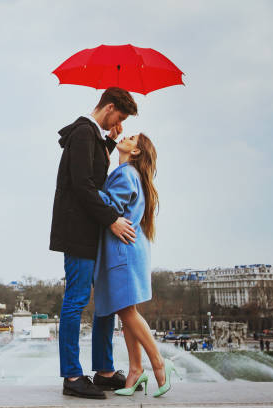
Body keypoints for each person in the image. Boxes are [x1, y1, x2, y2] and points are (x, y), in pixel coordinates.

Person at [50, 87, 138, 399]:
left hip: (89, 229)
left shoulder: (92, 136)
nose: (121, 121)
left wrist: (112, 141)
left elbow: (94, 176)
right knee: (76, 301)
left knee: (104, 301)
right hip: (79, 231)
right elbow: (84, 185)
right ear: (110, 107)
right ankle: (73, 376)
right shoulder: (85, 134)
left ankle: (103, 370)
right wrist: (113, 219)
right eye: (121, 116)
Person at [93, 133, 178, 398]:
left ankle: (159, 363)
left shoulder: (125, 174)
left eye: (132, 137)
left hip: (122, 254)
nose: (125, 136)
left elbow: (110, 206)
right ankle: (134, 369)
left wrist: (86, 187)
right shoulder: (131, 174)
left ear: (137, 152)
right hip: (129, 251)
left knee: (126, 312)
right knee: (126, 311)